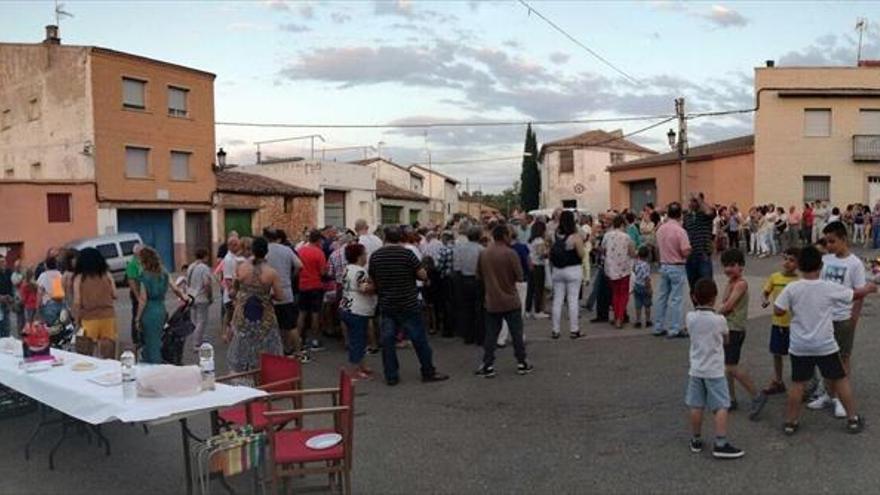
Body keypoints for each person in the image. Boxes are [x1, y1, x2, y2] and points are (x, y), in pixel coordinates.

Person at [773, 245, 876, 435]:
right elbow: (854, 294)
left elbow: (778, 309)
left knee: (798, 383)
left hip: (800, 345)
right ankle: (852, 419)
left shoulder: (792, 288)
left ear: (800, 267)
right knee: (839, 379)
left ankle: (791, 422)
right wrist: (869, 288)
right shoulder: (828, 287)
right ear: (820, 266)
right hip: (825, 344)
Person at [369, 225, 449, 386]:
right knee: (419, 339)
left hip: (387, 303)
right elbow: (422, 275)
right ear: (400, 238)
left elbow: (372, 279)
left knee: (388, 341)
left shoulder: (376, 256)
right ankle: (428, 371)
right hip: (408, 302)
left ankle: (391, 375)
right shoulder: (407, 254)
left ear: (385, 238)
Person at [807, 221, 868, 418]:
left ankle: (841, 399)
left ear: (843, 239)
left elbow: (859, 293)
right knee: (825, 358)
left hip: (843, 318)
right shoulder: (826, 260)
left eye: (832, 241)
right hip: (824, 317)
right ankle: (828, 394)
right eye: (827, 241)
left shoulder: (855, 264)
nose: (829, 245)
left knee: (842, 358)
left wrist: (854, 318)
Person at [685, 278, 744, 459]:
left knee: (696, 404)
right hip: (715, 370)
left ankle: (696, 439)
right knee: (720, 406)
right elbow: (726, 340)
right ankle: (720, 442)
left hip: (696, 369)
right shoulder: (719, 320)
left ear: (694, 297)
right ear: (714, 298)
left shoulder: (690, 317)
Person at [475, 224, 532, 378]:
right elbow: (520, 276)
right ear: (506, 236)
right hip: (510, 299)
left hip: (492, 299)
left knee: (491, 334)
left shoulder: (484, 253)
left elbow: (478, 276)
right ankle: (522, 363)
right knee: (516, 333)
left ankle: (488, 364)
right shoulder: (511, 253)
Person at [717, 249, 767, 419]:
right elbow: (725, 301)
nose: (728, 269)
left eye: (732, 265)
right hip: (728, 328)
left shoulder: (741, 283)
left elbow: (729, 305)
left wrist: (712, 315)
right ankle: (730, 399)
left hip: (735, 329)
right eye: (725, 266)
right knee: (727, 366)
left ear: (741, 266)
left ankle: (756, 395)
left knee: (731, 367)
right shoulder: (731, 282)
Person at [226, 237, 285, 373]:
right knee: (265, 344)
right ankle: (264, 374)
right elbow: (280, 296)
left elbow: (233, 291)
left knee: (243, 342)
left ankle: (243, 374)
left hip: (243, 313)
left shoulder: (242, 267)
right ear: (266, 252)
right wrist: (268, 296)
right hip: (264, 316)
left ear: (252, 250)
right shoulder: (271, 273)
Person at [135, 247, 188, 364]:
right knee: (158, 339)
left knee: (150, 342)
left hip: (149, 311)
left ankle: (153, 364)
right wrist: (185, 297)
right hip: (161, 309)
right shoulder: (164, 273)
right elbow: (175, 288)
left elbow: (143, 299)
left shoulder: (144, 275)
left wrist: (137, 318)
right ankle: (157, 363)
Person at [760, 248, 800, 395]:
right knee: (776, 353)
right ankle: (778, 381)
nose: (787, 263)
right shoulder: (774, 277)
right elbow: (765, 292)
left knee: (796, 355)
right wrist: (764, 300)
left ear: (798, 264)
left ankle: (799, 383)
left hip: (794, 324)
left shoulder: (799, 281)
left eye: (792, 260)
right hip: (778, 322)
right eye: (786, 259)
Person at [654, 202, 691, 338]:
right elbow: (685, 251)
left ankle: (658, 326)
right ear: (680, 214)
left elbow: (657, 248)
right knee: (676, 299)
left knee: (662, 297)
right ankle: (675, 328)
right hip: (677, 265)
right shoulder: (680, 231)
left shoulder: (661, 229)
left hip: (664, 264)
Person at [339, 243, 376, 380]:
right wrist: (375, 285)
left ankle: (362, 365)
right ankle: (354, 369)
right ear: (360, 256)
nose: (366, 256)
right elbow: (364, 288)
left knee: (356, 339)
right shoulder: (360, 271)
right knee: (358, 340)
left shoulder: (347, 268)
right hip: (358, 309)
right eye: (365, 254)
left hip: (346, 306)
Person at [72, 247, 117, 359]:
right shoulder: (107, 275)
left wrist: (77, 321)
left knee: (87, 354)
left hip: (89, 318)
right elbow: (115, 295)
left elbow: (77, 301)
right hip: (108, 316)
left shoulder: (79, 278)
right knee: (108, 353)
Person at [550, 210, 585, 339]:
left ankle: (555, 330)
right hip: (573, 269)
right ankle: (574, 329)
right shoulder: (575, 236)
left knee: (557, 300)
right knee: (572, 299)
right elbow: (581, 254)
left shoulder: (554, 234)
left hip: (557, 270)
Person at [295, 230, 328, 361]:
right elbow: (322, 271)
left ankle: (298, 339)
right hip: (316, 285)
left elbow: (297, 268)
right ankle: (314, 340)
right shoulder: (319, 253)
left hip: (303, 285)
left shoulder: (301, 250)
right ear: (318, 240)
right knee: (315, 313)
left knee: (302, 313)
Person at [452, 226, 484, 345]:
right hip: (477, 280)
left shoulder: (460, 248)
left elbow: (456, 267)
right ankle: (479, 336)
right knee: (479, 309)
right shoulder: (481, 249)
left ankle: (468, 336)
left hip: (463, 279)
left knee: (466, 308)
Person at [603, 215, 636, 329]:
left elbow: (602, 249)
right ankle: (619, 318)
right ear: (622, 224)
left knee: (615, 294)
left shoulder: (607, 235)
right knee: (624, 294)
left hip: (611, 269)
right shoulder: (626, 237)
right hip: (624, 268)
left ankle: (617, 315)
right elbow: (632, 252)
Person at [683, 193, 716, 293]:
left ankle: (707, 308)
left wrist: (699, 199)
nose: (692, 203)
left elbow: (710, 212)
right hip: (690, 256)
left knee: (707, 285)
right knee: (693, 287)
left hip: (703, 255)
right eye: (691, 201)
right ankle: (696, 307)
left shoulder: (706, 216)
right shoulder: (687, 217)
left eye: (695, 201)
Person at [186, 248, 214, 351]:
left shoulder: (191, 267)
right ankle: (197, 343)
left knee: (194, 320)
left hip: (191, 296)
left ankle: (198, 338)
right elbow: (207, 284)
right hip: (202, 297)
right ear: (205, 256)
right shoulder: (204, 268)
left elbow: (187, 282)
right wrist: (210, 296)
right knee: (202, 321)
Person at [525, 221, 548, 319]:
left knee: (530, 289)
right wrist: (548, 251)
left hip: (531, 265)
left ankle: (528, 309)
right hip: (539, 266)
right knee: (539, 288)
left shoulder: (530, 241)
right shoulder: (540, 241)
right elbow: (542, 254)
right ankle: (538, 310)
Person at [125, 244, 144, 345]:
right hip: (137, 293)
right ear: (136, 252)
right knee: (137, 315)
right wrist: (137, 296)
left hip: (144, 293)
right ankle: (136, 338)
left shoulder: (142, 262)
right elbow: (131, 282)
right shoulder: (132, 264)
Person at [632, 246, 653, 329]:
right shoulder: (646, 265)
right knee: (647, 304)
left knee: (638, 305)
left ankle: (638, 321)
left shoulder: (636, 263)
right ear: (647, 256)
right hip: (644, 286)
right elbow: (646, 278)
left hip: (637, 285)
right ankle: (648, 320)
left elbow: (633, 270)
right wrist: (649, 288)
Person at [0, 255, 12, 337]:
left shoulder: (9, 272)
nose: (4, 263)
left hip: (7, 301)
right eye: (1, 262)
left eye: (4, 261)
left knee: (7, 323)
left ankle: (6, 339)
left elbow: (11, 285)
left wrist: (11, 296)